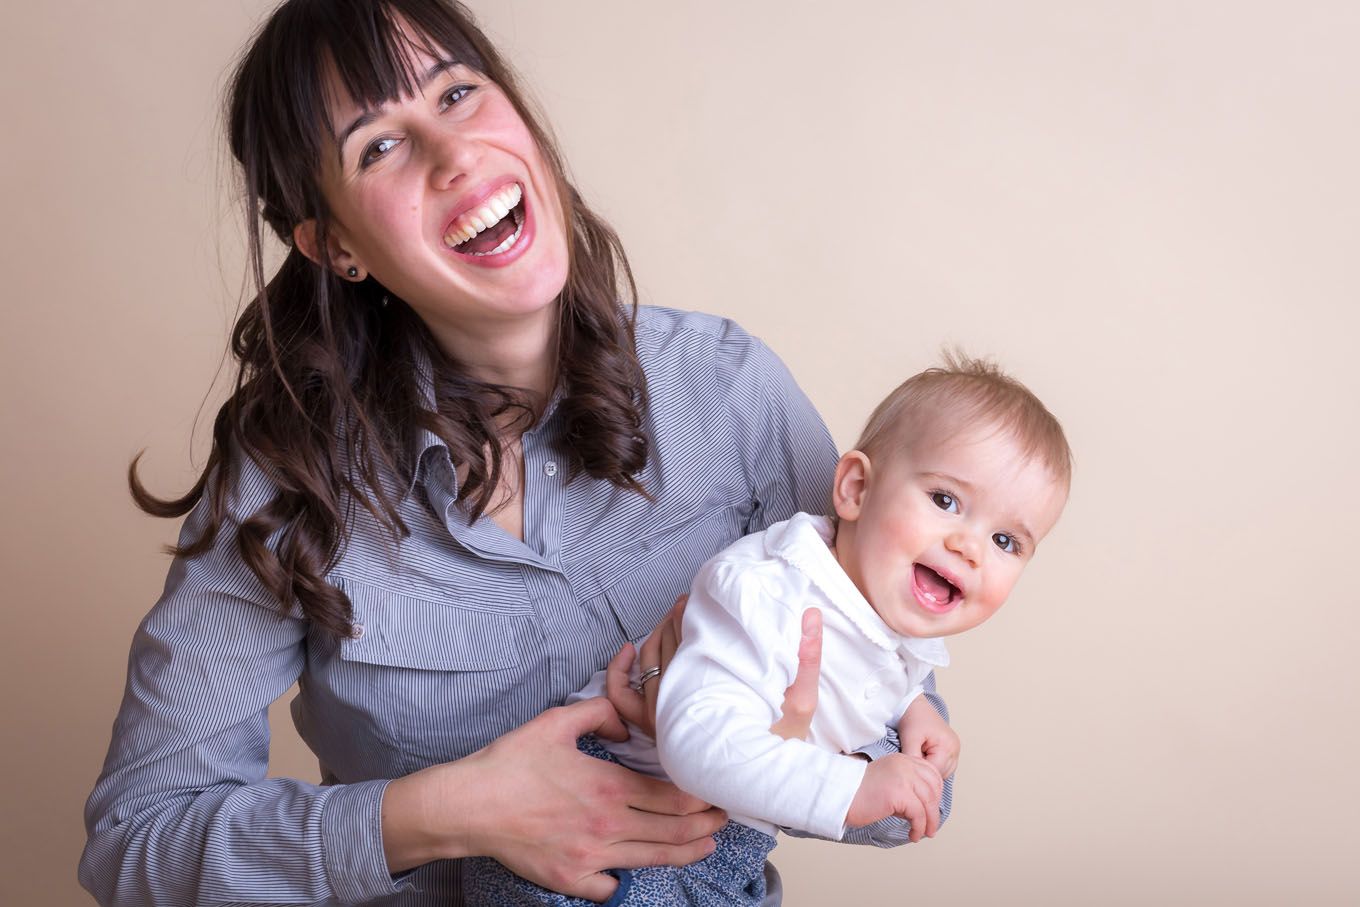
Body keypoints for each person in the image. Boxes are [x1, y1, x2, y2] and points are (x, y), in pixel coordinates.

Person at [78, 1, 954, 905]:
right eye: (378, 146)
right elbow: (135, 846)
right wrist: (448, 811)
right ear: (335, 245)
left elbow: (918, 774)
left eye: (458, 93)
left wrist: (777, 741)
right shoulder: (285, 487)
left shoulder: (726, 388)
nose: (454, 156)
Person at [464, 355, 1071, 905]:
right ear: (856, 489)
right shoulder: (766, 587)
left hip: (717, 849)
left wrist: (914, 711)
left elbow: (871, 668)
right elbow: (698, 742)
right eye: (945, 500)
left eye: (1005, 541)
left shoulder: (884, 617)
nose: (968, 547)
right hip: (601, 833)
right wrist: (850, 786)